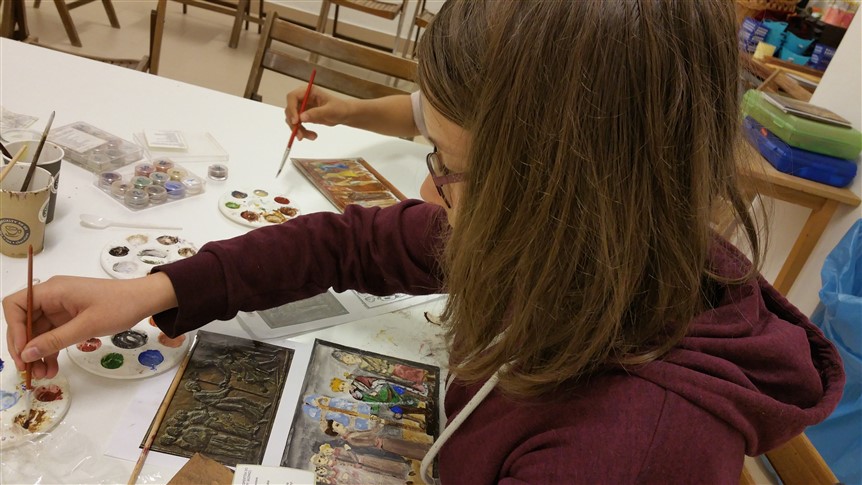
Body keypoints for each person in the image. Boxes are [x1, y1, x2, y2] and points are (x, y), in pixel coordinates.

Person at [3, 1, 844, 483]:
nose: (426, 192)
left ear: (576, 191)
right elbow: (353, 243)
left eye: (447, 164)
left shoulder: (625, 454)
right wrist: (154, 289)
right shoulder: (586, 249)